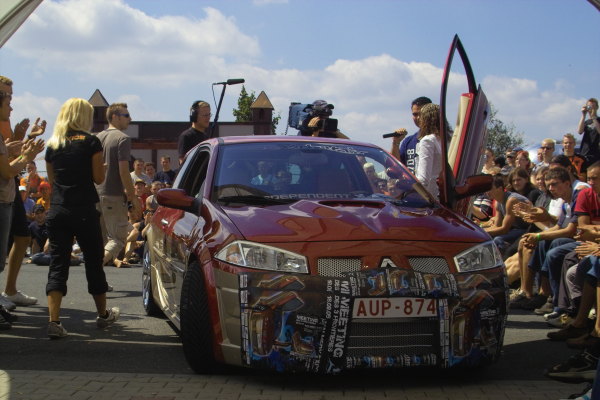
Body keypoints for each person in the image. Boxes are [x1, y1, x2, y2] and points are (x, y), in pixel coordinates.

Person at [44, 98, 120, 339]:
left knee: (58, 264)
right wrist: (101, 168)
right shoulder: (91, 142)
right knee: (93, 262)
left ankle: (54, 320)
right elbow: (98, 178)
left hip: (58, 209)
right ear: (83, 116)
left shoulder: (53, 144)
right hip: (84, 209)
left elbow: (52, 180)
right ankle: (103, 314)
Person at [0, 90, 44, 321]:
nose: (11, 107)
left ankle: (9, 291)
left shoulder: (5, 127)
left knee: (20, 238)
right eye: (8, 100)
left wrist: (25, 141)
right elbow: (7, 168)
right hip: (4, 192)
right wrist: (27, 155)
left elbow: (9, 154)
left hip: (8, 192)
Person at [95, 102, 141, 268]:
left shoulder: (98, 137)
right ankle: (95, 267)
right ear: (114, 117)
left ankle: (97, 276)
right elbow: (124, 171)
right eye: (126, 115)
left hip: (96, 193)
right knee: (118, 238)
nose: (130, 118)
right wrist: (132, 196)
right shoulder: (123, 138)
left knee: (102, 240)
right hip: (113, 194)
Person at [389, 96, 432, 174]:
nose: (418, 117)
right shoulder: (408, 142)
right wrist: (395, 142)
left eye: (421, 114)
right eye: (415, 114)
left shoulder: (441, 139)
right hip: (413, 182)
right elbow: (395, 168)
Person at [414, 103, 442, 200]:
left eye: (420, 116)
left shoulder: (428, 141)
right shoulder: (448, 139)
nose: (418, 119)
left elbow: (423, 178)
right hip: (445, 195)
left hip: (430, 198)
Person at [178, 100, 210, 165]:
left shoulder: (206, 137)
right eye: (205, 115)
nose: (208, 118)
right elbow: (183, 164)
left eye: (209, 114)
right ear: (194, 116)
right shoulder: (186, 136)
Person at [577, 98, 600, 165]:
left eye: (593, 107)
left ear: (597, 108)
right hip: (585, 151)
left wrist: (593, 117)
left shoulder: (599, 120)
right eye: (589, 106)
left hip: (596, 152)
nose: (591, 109)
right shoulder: (587, 122)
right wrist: (583, 115)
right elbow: (580, 131)